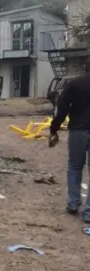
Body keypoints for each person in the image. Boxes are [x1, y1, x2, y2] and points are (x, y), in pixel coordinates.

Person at [50, 57, 90, 221]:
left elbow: (62, 108)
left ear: (85, 67)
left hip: (77, 131)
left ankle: (73, 204)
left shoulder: (74, 84)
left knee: (74, 167)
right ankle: (89, 212)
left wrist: (54, 129)